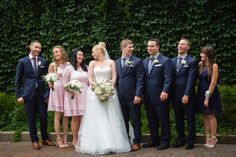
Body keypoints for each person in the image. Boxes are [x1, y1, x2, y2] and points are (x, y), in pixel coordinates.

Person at [76, 42, 131, 155]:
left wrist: (110, 87)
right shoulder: (92, 63)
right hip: (95, 93)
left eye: (93, 51)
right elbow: (90, 78)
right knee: (97, 117)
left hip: (110, 92)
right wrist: (96, 87)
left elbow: (114, 76)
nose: (92, 54)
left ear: (99, 51)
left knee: (110, 116)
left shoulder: (111, 62)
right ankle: (98, 143)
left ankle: (113, 143)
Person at [15, 40, 55, 150]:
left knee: (43, 117)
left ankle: (45, 139)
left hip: (42, 95)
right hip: (28, 95)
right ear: (30, 47)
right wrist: (19, 95)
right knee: (31, 118)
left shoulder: (44, 61)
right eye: (36, 47)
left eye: (40, 48)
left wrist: (47, 94)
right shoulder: (22, 62)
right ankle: (34, 140)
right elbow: (18, 80)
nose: (38, 49)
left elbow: (48, 79)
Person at [142, 38, 173, 150]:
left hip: (161, 95)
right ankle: (154, 139)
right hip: (148, 96)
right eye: (148, 46)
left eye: (152, 46)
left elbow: (168, 78)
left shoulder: (165, 60)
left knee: (163, 119)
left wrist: (165, 91)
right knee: (151, 119)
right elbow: (143, 79)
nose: (149, 48)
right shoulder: (145, 61)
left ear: (158, 47)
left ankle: (165, 141)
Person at [115, 39, 144, 151]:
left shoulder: (137, 61)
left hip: (133, 96)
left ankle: (137, 142)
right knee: (123, 120)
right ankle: (126, 141)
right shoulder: (116, 62)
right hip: (120, 97)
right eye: (129, 47)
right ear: (123, 48)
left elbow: (140, 79)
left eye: (132, 47)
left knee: (136, 120)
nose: (132, 49)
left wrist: (138, 94)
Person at [171, 38, 197, 150]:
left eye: (183, 44)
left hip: (187, 95)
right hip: (174, 95)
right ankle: (181, 138)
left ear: (188, 47)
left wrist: (186, 95)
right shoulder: (171, 61)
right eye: (179, 44)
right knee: (178, 118)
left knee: (190, 118)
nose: (180, 46)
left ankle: (191, 141)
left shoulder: (192, 61)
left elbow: (191, 80)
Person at [197, 45, 222, 148]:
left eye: (203, 53)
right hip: (201, 92)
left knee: (211, 115)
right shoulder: (200, 64)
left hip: (210, 93)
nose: (201, 55)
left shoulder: (214, 66)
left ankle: (214, 137)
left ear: (209, 54)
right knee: (205, 115)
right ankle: (207, 137)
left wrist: (207, 97)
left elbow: (213, 83)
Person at [63, 48, 88, 147]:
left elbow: (90, 81)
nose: (81, 56)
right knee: (75, 118)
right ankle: (75, 139)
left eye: (82, 55)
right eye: (79, 55)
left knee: (84, 118)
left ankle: (84, 138)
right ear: (74, 56)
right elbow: (64, 84)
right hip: (74, 96)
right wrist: (71, 90)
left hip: (85, 94)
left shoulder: (86, 67)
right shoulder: (69, 68)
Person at [47, 45, 70, 148]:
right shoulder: (53, 65)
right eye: (54, 53)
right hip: (56, 91)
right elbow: (49, 80)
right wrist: (50, 84)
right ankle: (58, 138)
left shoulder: (68, 64)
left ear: (62, 52)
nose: (55, 54)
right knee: (57, 115)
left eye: (57, 52)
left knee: (65, 116)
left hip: (66, 90)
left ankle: (65, 138)